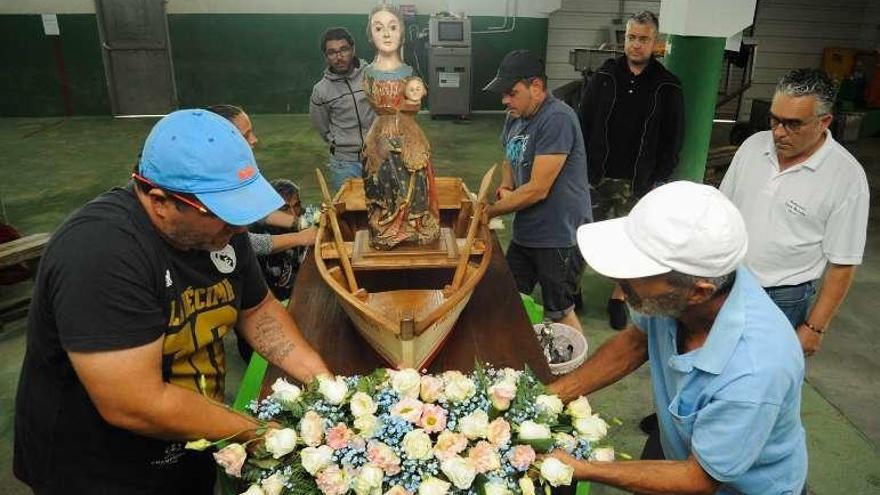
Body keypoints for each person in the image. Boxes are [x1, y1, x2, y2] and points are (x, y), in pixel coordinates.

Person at [13, 109, 331, 494]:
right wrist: (258, 432)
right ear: (161, 201)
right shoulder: (101, 253)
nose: (240, 227)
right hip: (100, 471)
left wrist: (323, 382)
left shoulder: (221, 233)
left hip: (187, 442)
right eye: (224, 214)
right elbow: (135, 403)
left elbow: (258, 310)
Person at [548, 181, 807, 494]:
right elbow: (634, 342)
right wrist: (552, 396)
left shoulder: (754, 371)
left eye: (635, 272)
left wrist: (582, 468)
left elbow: (698, 479)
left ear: (698, 292)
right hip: (680, 443)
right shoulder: (673, 296)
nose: (620, 281)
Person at [720, 68, 869, 356]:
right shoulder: (753, 147)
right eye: (775, 119)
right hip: (727, 282)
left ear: (824, 121)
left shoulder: (846, 177)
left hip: (782, 299)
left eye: (793, 124)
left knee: (761, 380)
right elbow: (724, 211)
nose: (778, 132)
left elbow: (843, 264)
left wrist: (815, 327)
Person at [579, 10, 684, 330]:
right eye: (631, 38)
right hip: (596, 175)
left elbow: (674, 139)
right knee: (583, 236)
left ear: (656, 43)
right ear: (624, 39)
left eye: (644, 39)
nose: (636, 45)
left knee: (628, 242)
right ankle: (572, 291)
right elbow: (583, 124)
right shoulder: (604, 77)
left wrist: (658, 180)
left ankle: (618, 298)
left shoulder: (667, 86)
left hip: (637, 181)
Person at [484, 49, 592, 332]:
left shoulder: (557, 118)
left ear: (536, 87)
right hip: (528, 231)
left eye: (511, 92)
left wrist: (488, 212)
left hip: (559, 235)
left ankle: (577, 371)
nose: (505, 100)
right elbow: (509, 154)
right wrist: (507, 185)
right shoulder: (515, 116)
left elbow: (537, 189)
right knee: (509, 299)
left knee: (560, 311)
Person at [361, 5, 439, 250]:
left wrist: (411, 101)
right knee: (381, 179)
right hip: (380, 134)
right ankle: (386, 226)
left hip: (408, 132)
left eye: (393, 27)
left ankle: (412, 225)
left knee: (415, 177)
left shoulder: (409, 73)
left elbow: (413, 101)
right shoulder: (369, 73)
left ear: (402, 33)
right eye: (379, 28)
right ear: (370, 35)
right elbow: (376, 102)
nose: (386, 34)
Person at [309, 27, 377, 192]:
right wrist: (339, 142)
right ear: (326, 56)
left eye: (343, 50)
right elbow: (322, 127)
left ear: (353, 50)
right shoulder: (321, 91)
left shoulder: (372, 75)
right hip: (344, 163)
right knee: (348, 213)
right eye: (332, 52)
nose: (339, 57)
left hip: (377, 156)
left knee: (382, 209)